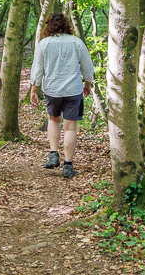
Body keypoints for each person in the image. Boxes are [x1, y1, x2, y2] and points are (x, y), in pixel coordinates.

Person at [29, 12, 95, 180]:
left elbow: (38, 68)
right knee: (70, 127)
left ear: (49, 26)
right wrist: (87, 83)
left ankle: (53, 154)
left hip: (52, 90)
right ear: (67, 25)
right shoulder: (76, 42)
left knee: (53, 120)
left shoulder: (44, 43)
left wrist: (34, 89)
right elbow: (87, 65)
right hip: (74, 90)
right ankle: (68, 165)